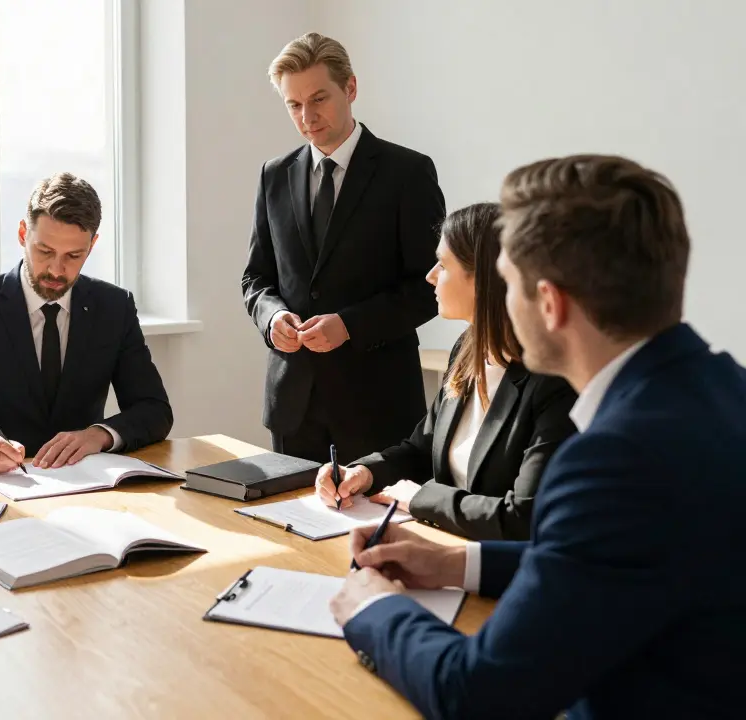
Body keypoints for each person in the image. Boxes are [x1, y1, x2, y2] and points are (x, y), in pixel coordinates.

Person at [330, 155, 746, 719]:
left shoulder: (615, 460)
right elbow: (603, 556)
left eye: (509, 282)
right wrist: (457, 565)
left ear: (549, 304)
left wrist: (373, 610)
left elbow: (476, 695)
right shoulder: (724, 388)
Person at [316, 203, 577, 540]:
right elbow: (422, 449)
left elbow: (522, 516)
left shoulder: (553, 381)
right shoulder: (467, 348)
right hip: (443, 547)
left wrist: (421, 498)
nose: (430, 275)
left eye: (443, 264)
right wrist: (364, 472)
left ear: (483, 278)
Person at [242, 32, 446, 465]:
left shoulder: (408, 173)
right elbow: (255, 278)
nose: (307, 117)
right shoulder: (273, 175)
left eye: (319, 99)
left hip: (379, 405)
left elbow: (431, 286)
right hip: (293, 405)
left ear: (350, 88)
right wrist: (272, 315)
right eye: (293, 105)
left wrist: (350, 325)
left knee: (376, 532)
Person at [0, 172, 173, 474]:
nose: (57, 270)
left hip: (86, 486)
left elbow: (154, 410)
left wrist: (98, 435)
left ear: (92, 245)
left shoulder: (114, 307)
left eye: (74, 255)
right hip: (0, 484)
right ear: (24, 234)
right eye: (45, 251)